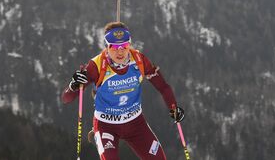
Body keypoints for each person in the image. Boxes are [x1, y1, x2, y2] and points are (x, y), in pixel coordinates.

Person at [62, 21, 185, 160]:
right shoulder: (96, 66)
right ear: (107, 47)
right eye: (114, 47)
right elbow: (67, 98)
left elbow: (163, 86)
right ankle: (98, 137)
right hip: (106, 125)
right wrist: (73, 85)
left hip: (135, 123)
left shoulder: (139, 60)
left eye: (124, 46)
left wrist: (173, 108)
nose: (120, 51)